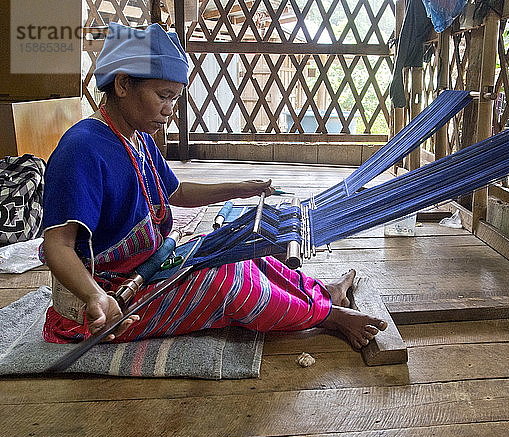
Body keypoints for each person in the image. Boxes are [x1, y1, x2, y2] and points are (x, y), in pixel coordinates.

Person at [41, 22, 387, 351]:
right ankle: (326, 315)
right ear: (122, 85)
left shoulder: (137, 138)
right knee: (227, 283)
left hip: (147, 268)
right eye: (163, 95)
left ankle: (319, 292)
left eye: (175, 99)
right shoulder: (82, 148)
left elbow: (175, 193)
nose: (169, 110)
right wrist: (94, 297)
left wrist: (241, 189)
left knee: (237, 247)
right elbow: (57, 246)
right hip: (105, 305)